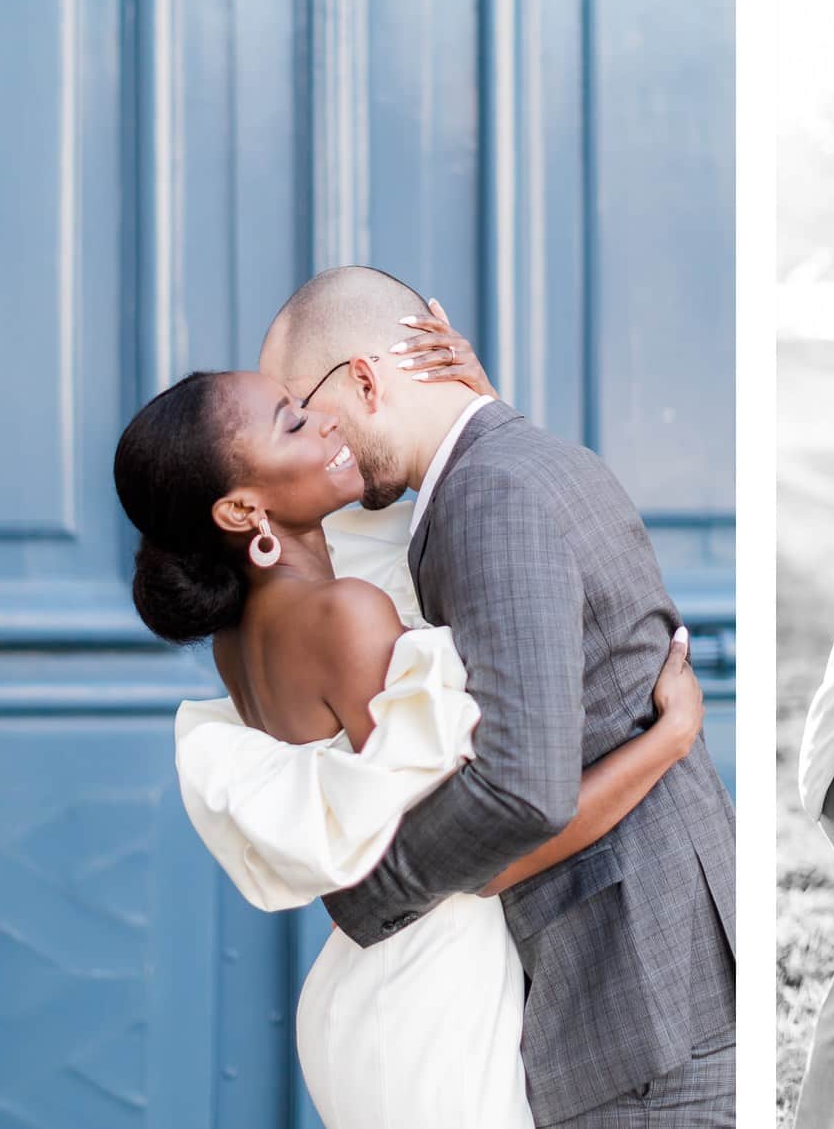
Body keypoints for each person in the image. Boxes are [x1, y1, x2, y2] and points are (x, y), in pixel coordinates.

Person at [116, 267, 735, 1127]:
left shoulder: (254, 622)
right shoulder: (350, 602)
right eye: (294, 420)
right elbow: (510, 800)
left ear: (367, 380)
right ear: (242, 507)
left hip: (389, 998)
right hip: (433, 981)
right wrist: (669, 742)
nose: (323, 429)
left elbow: (476, 503)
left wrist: (471, 412)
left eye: (310, 405)